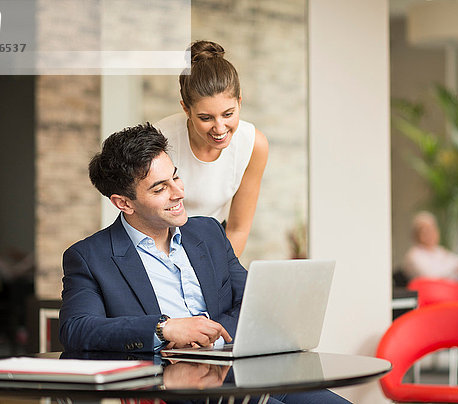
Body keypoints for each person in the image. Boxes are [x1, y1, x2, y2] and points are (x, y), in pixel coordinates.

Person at [59, 123, 349, 404]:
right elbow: (77, 329)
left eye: (176, 177)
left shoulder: (208, 232)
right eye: (160, 189)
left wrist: (205, 334)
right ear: (124, 203)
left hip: (246, 373)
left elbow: (253, 303)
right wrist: (165, 329)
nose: (178, 193)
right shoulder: (90, 257)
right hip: (177, 389)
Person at [154, 40, 269, 258]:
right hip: (160, 238)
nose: (219, 128)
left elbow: (238, 228)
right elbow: (146, 220)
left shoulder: (254, 145)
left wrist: (218, 274)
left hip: (215, 240)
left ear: (240, 102)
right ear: (186, 109)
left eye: (228, 114)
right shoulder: (159, 140)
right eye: (206, 118)